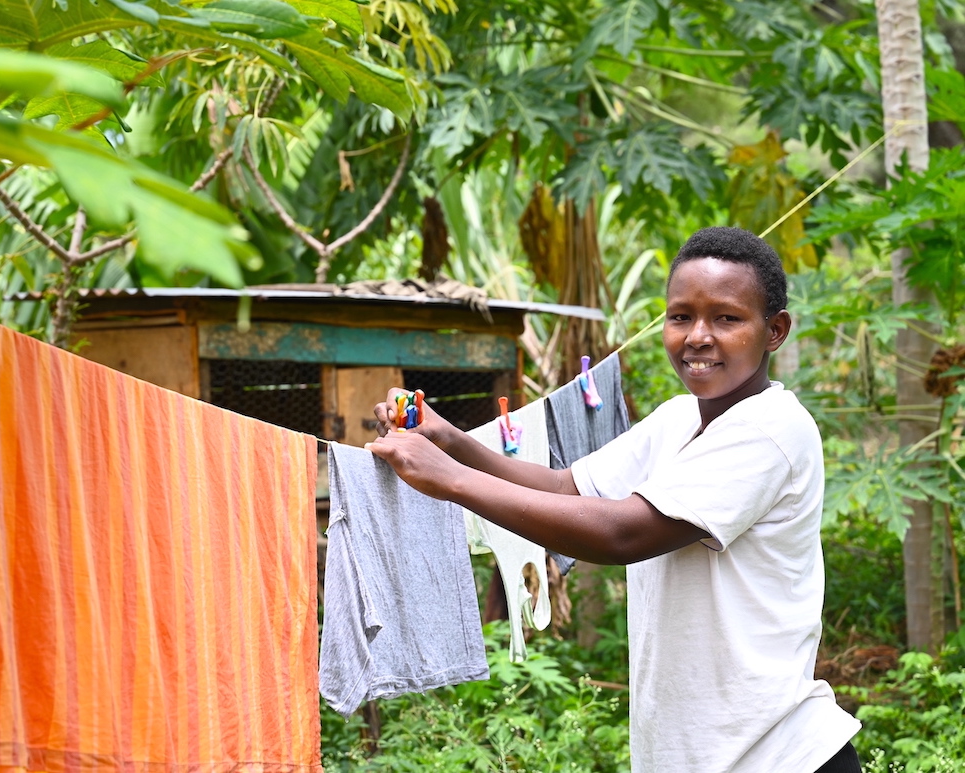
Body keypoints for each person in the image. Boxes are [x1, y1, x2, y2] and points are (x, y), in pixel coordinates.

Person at [367, 227, 862, 773]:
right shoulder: (679, 418)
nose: (697, 336)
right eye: (680, 316)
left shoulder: (772, 429)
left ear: (775, 331)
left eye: (726, 318)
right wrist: (450, 440)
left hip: (779, 757)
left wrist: (448, 480)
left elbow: (622, 534)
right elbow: (563, 487)